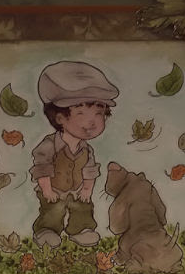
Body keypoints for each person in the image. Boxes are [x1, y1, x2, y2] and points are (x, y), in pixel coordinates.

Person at [30, 61, 119, 248]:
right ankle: (47, 231)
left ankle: (81, 230)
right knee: (53, 210)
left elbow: (90, 171)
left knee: (83, 208)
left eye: (99, 114)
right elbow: (42, 168)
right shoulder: (49, 145)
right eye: (81, 114)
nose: (92, 122)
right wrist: (47, 190)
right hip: (53, 189)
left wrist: (86, 189)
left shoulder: (87, 150)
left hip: (77, 190)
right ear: (60, 118)